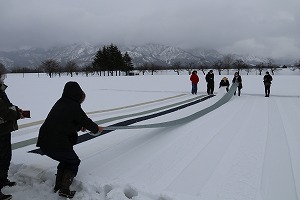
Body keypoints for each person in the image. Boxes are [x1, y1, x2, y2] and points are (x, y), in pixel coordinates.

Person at [36, 81, 104, 199]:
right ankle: (64, 189)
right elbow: (85, 120)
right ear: (77, 94)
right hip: (57, 142)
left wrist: (79, 127)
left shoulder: (61, 103)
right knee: (73, 162)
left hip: (45, 141)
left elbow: (65, 121)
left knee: (65, 160)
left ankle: (58, 187)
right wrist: (96, 128)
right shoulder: (74, 106)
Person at [0, 73, 25, 200]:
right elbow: (3, 112)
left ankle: (2, 180)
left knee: (5, 156)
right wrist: (16, 115)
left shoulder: (1, 91)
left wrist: (16, 109)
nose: (2, 79)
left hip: (4, 130)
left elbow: (7, 106)